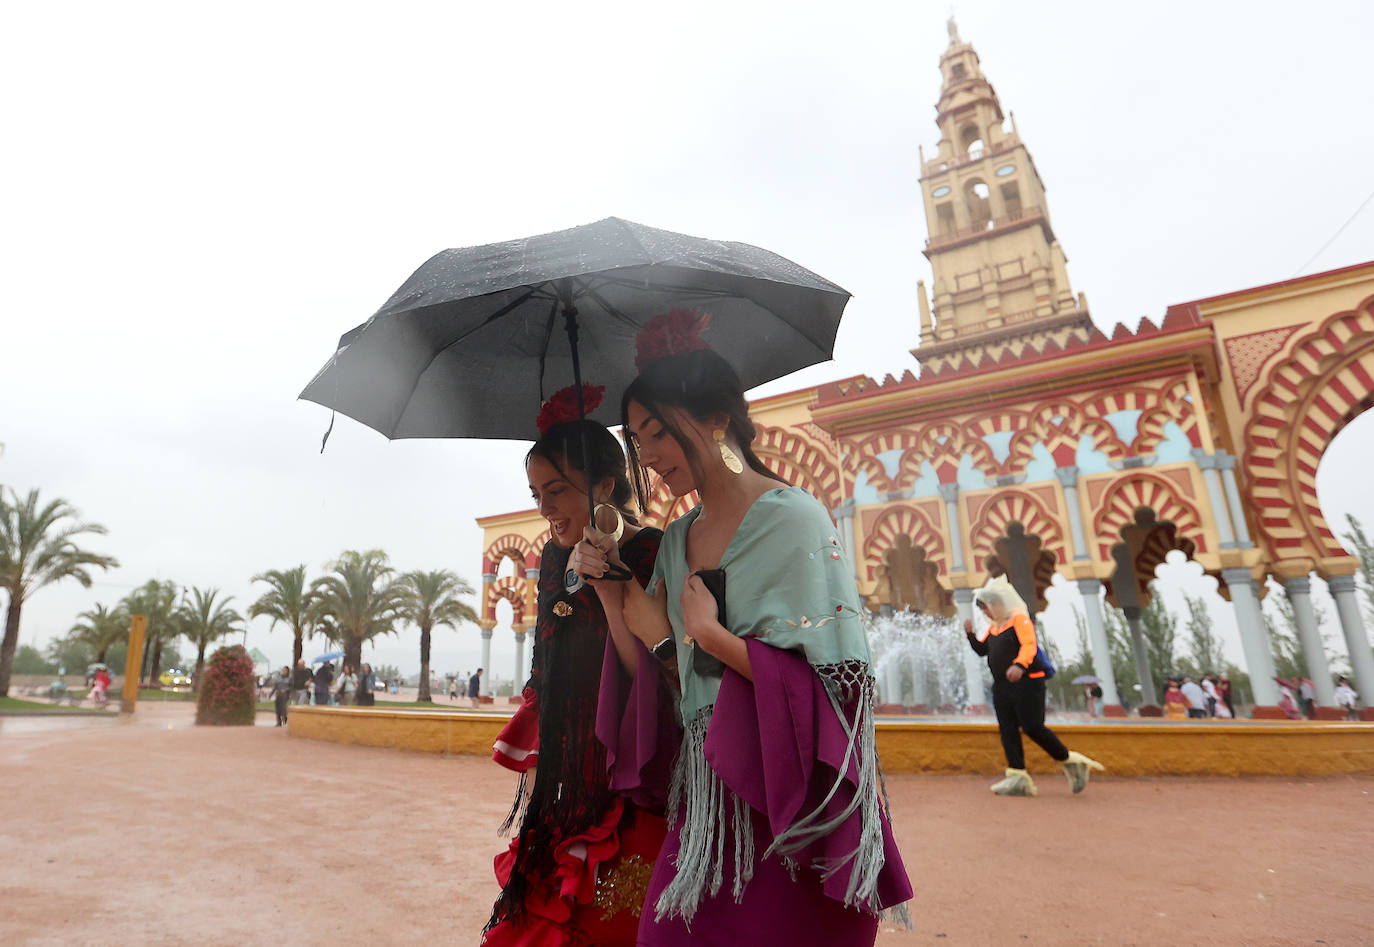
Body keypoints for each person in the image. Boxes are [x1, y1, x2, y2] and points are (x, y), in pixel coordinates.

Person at [592, 311, 912, 944]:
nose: (647, 455)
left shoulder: (794, 519)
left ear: (717, 419)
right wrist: (613, 597)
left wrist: (712, 637)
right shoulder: (678, 540)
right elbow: (674, 685)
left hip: (790, 802)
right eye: (636, 438)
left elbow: (834, 690)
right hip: (710, 797)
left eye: (657, 431)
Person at [483, 382, 669, 947]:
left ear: (605, 483)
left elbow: (652, 678)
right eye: (536, 492)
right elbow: (547, 669)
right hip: (568, 781)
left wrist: (612, 581)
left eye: (557, 490)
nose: (544, 509)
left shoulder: (653, 552)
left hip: (630, 769)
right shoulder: (552, 558)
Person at [964, 577, 1104, 796]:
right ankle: (1017, 777)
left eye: (987, 608)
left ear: (998, 603)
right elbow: (983, 651)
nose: (986, 613)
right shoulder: (994, 628)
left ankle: (1070, 760)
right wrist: (970, 635)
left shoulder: (1019, 620)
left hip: (1028, 682)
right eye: (983, 610)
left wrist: (1020, 665)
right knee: (1007, 730)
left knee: (1032, 727)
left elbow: (1029, 645)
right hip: (1002, 686)